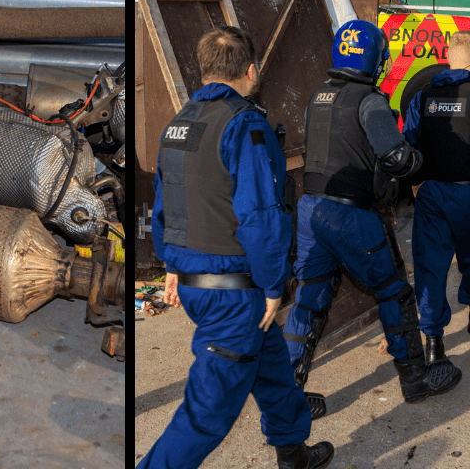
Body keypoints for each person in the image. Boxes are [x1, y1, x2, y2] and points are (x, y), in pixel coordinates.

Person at [142, 26, 332, 469]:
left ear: (204, 70)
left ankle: (293, 449)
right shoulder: (246, 124)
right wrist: (272, 286)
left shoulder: (180, 122)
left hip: (198, 281)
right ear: (250, 70)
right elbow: (261, 215)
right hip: (235, 293)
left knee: (272, 370)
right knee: (206, 413)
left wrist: (172, 263)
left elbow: (166, 202)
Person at [284, 20, 462, 406]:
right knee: (395, 293)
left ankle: (287, 400)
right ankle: (415, 381)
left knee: (309, 301)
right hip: (352, 217)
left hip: (312, 210)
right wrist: (421, 162)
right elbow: (396, 157)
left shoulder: (318, 97)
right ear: (375, 58)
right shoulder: (369, 100)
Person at [403, 29, 470, 366]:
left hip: (432, 192)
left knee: (430, 266)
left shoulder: (423, 96)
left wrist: (417, 183)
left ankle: (433, 341)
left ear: (448, 55)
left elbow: (409, 143)